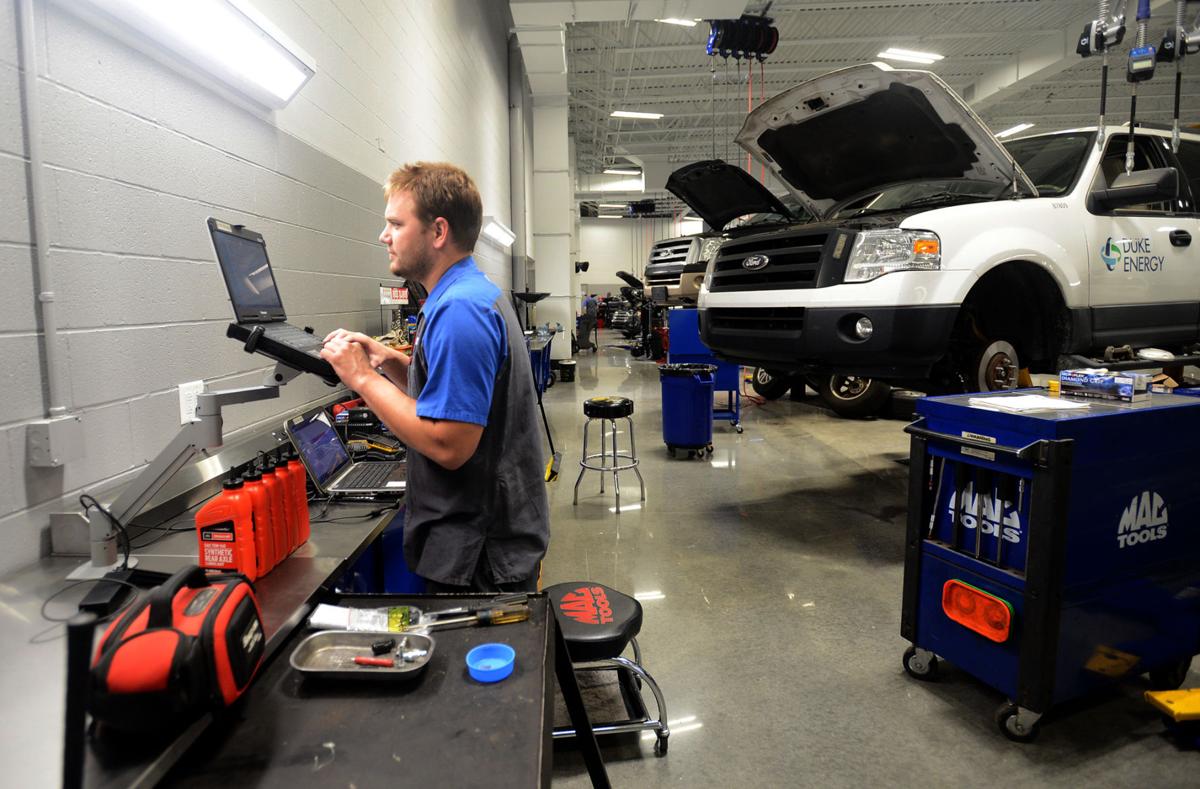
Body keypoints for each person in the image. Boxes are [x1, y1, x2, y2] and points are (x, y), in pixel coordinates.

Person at [320, 162, 549, 593]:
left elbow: (449, 444)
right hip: (481, 542)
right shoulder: (466, 294)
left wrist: (363, 379)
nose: (384, 236)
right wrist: (388, 361)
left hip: (479, 556)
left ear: (438, 231)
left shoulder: (459, 310)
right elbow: (454, 392)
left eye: (396, 224)